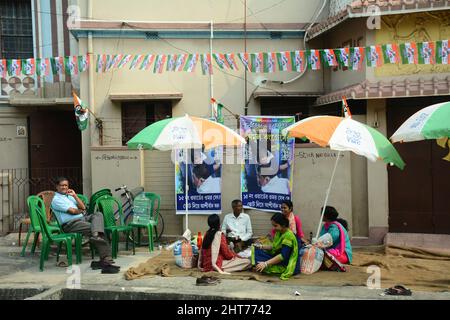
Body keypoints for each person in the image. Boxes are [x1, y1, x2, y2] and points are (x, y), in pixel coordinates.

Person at [50, 177, 119, 273]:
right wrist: (81, 211)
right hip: (70, 224)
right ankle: (106, 260)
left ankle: (95, 236)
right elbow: (73, 211)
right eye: (62, 185)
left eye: (66, 185)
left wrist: (75, 196)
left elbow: (83, 207)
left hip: (81, 218)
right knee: (98, 229)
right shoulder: (56, 199)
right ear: (57, 186)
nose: (64, 187)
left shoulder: (69, 196)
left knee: (98, 215)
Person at [252, 213, 301, 280]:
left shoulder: (288, 236)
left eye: (275, 226)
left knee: (261, 264)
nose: (273, 228)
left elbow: (283, 256)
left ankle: (262, 266)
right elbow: (274, 247)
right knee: (256, 251)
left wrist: (265, 264)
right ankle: (259, 264)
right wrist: (261, 246)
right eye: (273, 226)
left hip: (285, 263)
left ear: (283, 225)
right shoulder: (279, 232)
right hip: (277, 256)